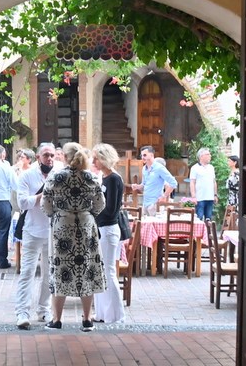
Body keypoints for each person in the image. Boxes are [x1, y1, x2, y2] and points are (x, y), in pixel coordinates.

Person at [41, 142, 106, 332]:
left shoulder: (56, 176)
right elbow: (100, 204)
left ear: (65, 157)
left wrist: (56, 215)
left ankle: (57, 320)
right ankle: (87, 319)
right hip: (86, 227)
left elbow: (46, 203)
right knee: (87, 270)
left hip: (62, 226)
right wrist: (87, 214)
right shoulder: (90, 177)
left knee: (60, 269)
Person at [14, 142, 59, 330]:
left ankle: (43, 309)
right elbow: (22, 203)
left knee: (49, 273)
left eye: (52, 155)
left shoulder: (59, 175)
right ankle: (22, 312)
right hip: (32, 230)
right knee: (27, 272)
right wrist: (43, 195)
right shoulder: (27, 176)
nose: (49, 158)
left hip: (52, 231)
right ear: (38, 157)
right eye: (46, 155)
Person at [91, 143, 126, 324]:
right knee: (100, 271)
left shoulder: (113, 179)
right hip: (101, 229)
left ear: (104, 159)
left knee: (108, 271)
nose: (93, 161)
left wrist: (92, 213)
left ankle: (115, 315)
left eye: (96, 158)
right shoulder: (104, 178)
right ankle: (102, 313)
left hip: (108, 229)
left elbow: (111, 209)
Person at [130, 145, 177, 216]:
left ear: (151, 155)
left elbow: (173, 183)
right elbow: (144, 185)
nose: (142, 157)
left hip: (155, 204)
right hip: (145, 203)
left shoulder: (159, 168)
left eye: (145, 155)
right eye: (141, 155)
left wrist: (164, 196)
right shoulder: (144, 168)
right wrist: (137, 186)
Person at [189, 147, 218, 221]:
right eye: (208, 154)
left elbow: (214, 182)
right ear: (201, 156)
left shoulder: (211, 167)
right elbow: (192, 182)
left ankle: (207, 229)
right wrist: (193, 196)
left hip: (210, 197)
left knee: (208, 219)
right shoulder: (195, 168)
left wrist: (215, 195)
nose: (210, 156)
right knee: (199, 218)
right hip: (199, 198)